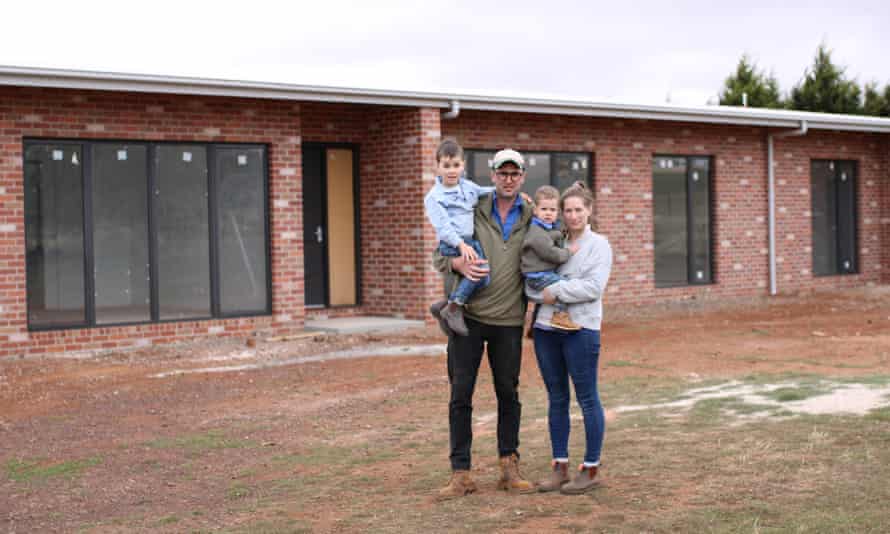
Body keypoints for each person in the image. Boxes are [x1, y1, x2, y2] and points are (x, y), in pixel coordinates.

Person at [432, 148, 535, 499]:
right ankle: (461, 473)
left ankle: (509, 466)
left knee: (508, 394)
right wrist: (456, 266)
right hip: (468, 320)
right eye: (502, 173)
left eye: (514, 174)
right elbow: (439, 252)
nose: (508, 179)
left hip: (508, 320)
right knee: (461, 395)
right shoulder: (471, 206)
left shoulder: (531, 214)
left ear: (522, 177)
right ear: (492, 175)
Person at [530, 182, 612, 495]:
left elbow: (593, 288)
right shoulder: (554, 241)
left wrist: (556, 291)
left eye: (579, 209)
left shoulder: (599, 245)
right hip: (546, 329)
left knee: (587, 397)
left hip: (581, 330)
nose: (573, 215)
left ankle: (591, 468)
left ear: (589, 210)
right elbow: (531, 282)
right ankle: (559, 467)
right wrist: (550, 292)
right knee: (557, 398)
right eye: (568, 210)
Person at [424, 139, 495, 336]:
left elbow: (484, 192)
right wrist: (461, 245)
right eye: (446, 166)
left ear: (463, 165)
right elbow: (443, 228)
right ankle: (454, 307)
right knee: (480, 272)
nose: (451, 170)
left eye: (456, 165)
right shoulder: (434, 197)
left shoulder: (468, 186)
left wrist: (514, 194)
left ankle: (445, 305)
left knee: (484, 278)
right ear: (437, 167)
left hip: (468, 241)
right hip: (453, 244)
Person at [521, 185, 581, 331]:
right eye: (544, 209)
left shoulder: (547, 228)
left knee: (562, 285)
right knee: (565, 285)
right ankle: (559, 315)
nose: (548, 213)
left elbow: (554, 235)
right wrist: (569, 251)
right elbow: (551, 253)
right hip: (537, 276)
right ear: (535, 210)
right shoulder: (536, 232)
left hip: (542, 274)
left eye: (552, 210)